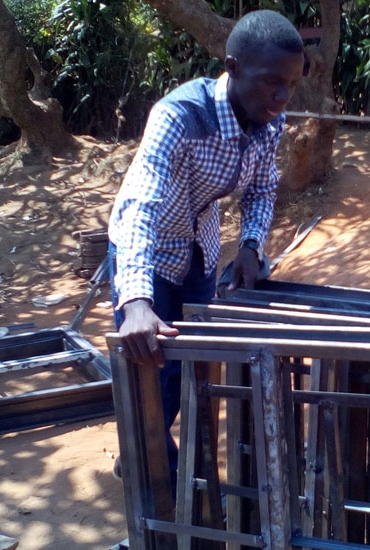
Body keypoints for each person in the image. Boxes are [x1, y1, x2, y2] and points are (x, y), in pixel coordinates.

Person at [107, 10, 306, 487]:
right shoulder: (179, 116)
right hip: (147, 254)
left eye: (291, 86)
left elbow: (261, 190)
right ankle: (157, 476)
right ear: (233, 67)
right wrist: (135, 300)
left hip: (199, 248)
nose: (281, 97)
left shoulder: (267, 118)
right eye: (270, 83)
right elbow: (141, 204)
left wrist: (251, 247)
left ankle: (155, 458)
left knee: (183, 372)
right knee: (149, 370)